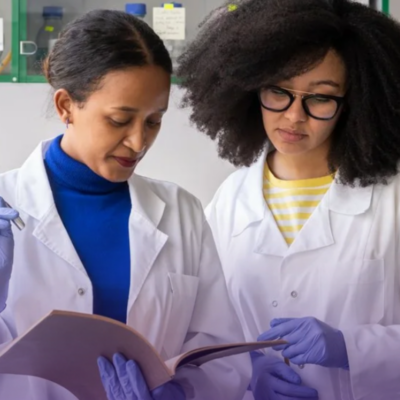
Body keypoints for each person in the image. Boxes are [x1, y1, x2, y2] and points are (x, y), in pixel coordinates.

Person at [0, 9, 251, 400]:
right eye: (120, 120)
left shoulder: (181, 212)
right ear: (66, 106)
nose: (139, 142)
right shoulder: (6, 207)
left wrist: (180, 394)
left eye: (153, 121)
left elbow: (221, 357)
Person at [177, 0, 400, 399]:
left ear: (355, 102)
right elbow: (206, 329)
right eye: (279, 91)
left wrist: (350, 348)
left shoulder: (392, 198)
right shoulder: (229, 201)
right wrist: (248, 370)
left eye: (320, 98)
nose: (294, 116)